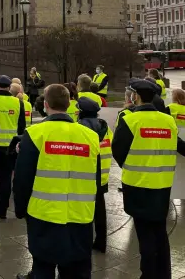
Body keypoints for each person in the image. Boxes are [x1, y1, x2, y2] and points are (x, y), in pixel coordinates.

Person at [14, 84, 100, 279]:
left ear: (45, 104)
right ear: (69, 104)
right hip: (81, 215)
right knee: (77, 270)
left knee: (43, 266)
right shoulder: (91, 137)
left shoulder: (36, 134)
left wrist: (21, 209)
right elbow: (95, 176)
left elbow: (23, 178)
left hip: (44, 214)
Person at [112, 78, 178, 278]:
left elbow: (118, 150)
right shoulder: (168, 120)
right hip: (163, 184)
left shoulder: (130, 120)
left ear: (136, 96)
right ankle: (164, 273)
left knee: (145, 234)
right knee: (159, 231)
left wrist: (132, 166)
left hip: (138, 184)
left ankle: (148, 274)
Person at [0, 75, 25, 219]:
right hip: (10, 146)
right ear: (9, 87)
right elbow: (21, 126)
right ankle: (2, 208)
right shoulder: (17, 102)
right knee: (6, 178)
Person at [76, 96, 112, 253]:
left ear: (81, 113)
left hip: (84, 177)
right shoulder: (106, 129)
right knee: (100, 210)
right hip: (102, 177)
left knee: (82, 212)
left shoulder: (80, 130)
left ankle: (82, 243)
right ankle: (101, 241)